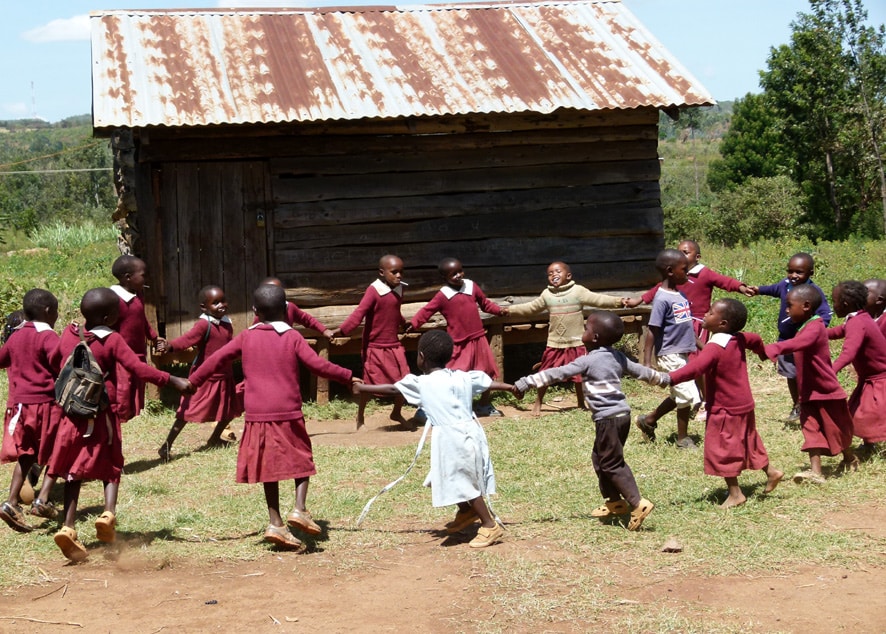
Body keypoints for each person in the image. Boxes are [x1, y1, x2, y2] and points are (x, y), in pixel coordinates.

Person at [187, 284, 360, 552]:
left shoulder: (246, 337)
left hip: (257, 415)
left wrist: (192, 382)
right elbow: (317, 365)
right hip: (287, 411)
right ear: (285, 310)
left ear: (255, 311)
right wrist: (347, 376)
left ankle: (276, 523)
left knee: (269, 467)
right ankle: (300, 509)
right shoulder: (291, 337)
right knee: (301, 457)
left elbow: (216, 359)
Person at [48, 288, 189, 561]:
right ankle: (108, 514)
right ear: (110, 316)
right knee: (112, 465)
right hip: (102, 414)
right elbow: (139, 369)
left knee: (72, 471)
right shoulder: (112, 340)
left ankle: (68, 527)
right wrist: (172, 380)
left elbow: (55, 361)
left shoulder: (70, 333)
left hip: (72, 415)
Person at [356, 330, 514, 547]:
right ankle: (466, 511)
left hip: (452, 438)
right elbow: (487, 384)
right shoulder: (462, 376)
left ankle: (489, 525)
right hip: (470, 432)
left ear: (421, 356)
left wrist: (362, 387)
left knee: (461, 480)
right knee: (446, 476)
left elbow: (394, 388)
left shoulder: (422, 384)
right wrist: (511, 387)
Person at [513, 311, 665, 529]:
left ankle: (637, 502)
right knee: (600, 459)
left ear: (594, 338)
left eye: (586, 328)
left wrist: (526, 382)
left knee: (612, 463)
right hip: (622, 417)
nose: (583, 331)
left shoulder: (588, 361)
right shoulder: (617, 356)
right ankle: (615, 502)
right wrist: (664, 379)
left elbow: (556, 373)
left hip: (608, 419)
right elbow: (641, 371)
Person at [667, 299, 783, 507]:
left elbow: (696, 368)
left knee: (722, 448)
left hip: (725, 407)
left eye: (711, 313)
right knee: (748, 440)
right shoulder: (737, 338)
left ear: (722, 324)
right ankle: (771, 472)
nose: (705, 314)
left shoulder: (715, 347)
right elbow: (755, 339)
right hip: (744, 402)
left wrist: (668, 378)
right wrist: (763, 354)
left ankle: (735, 493)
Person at [625, 240, 754, 420]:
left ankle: (702, 402)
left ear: (697, 257)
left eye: (685, 252)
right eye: (680, 252)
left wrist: (740, 287)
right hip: (679, 331)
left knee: (698, 366)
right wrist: (638, 300)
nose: (682, 256)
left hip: (698, 324)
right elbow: (655, 293)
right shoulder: (672, 284)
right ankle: (700, 403)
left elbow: (724, 281)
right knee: (692, 371)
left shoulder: (702, 274)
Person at [507, 261, 629, 416]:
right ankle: (538, 403)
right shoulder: (547, 294)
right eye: (550, 273)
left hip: (576, 341)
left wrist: (619, 301)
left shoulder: (577, 291)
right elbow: (530, 308)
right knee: (546, 372)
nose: (554, 275)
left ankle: (580, 402)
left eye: (557, 272)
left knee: (579, 375)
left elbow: (598, 299)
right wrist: (509, 310)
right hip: (555, 342)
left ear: (568, 275)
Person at [763, 285, 856, 484]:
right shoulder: (805, 327)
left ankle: (849, 458)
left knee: (836, 427)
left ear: (806, 306)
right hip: (808, 391)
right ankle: (816, 472)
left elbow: (800, 343)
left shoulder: (815, 327)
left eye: (789, 306)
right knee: (810, 427)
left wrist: (775, 348)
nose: (786, 310)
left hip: (826, 389)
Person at [407, 258, 509, 417]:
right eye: (453, 274)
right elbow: (427, 311)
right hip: (458, 343)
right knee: (449, 375)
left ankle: (484, 404)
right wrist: (414, 323)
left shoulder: (471, 286)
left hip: (478, 339)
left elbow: (485, 304)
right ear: (444, 277)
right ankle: (429, 407)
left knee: (486, 372)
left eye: (460, 271)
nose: (458, 275)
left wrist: (498, 310)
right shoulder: (443, 295)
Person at [158, 285, 244, 460]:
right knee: (187, 411)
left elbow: (230, 346)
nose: (221, 305)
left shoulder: (227, 323)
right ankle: (166, 446)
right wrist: (170, 346)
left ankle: (214, 439)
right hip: (205, 378)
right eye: (216, 303)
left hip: (225, 376)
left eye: (223, 301)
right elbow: (187, 339)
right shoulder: (204, 324)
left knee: (229, 410)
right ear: (204, 307)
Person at [0, 290, 62, 532]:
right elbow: (59, 364)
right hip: (46, 404)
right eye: (55, 312)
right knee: (59, 449)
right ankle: (42, 500)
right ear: (48, 312)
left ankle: (11, 502)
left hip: (20, 406)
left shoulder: (15, 336)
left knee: (27, 453)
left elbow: (2, 359)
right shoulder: (47, 336)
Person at [750, 253, 831, 422]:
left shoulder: (813, 292)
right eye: (790, 271)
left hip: (805, 344)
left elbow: (825, 314)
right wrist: (758, 290)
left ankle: (812, 405)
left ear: (810, 273)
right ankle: (797, 404)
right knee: (791, 374)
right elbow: (773, 289)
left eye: (799, 272)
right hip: (785, 340)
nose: (793, 275)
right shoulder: (785, 285)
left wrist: (815, 331)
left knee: (807, 374)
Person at [332, 255, 410, 429]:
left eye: (401, 272)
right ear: (382, 273)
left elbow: (395, 311)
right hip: (375, 346)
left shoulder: (400, 289)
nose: (399, 276)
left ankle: (396, 412)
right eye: (394, 272)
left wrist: (404, 323)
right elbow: (359, 313)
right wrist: (343, 330)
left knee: (405, 380)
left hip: (393, 344)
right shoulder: (374, 291)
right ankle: (360, 418)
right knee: (369, 383)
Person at [634, 249, 702, 448]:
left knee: (679, 394)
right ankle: (682, 439)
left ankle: (649, 420)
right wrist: (647, 362)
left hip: (682, 353)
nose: (687, 273)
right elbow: (652, 330)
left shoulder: (679, 295)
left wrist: (705, 348)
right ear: (670, 271)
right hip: (670, 354)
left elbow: (688, 326)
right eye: (684, 269)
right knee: (687, 395)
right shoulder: (662, 298)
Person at [827, 280, 886, 455]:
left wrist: (830, 371)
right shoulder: (859, 318)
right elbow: (838, 331)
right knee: (858, 412)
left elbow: (848, 353)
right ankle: (869, 442)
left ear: (845, 304)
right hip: (870, 377)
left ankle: (870, 442)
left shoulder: (858, 321)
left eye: (834, 301)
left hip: (880, 378)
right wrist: (814, 333)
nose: (833, 305)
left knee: (872, 414)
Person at [109, 255, 168, 422]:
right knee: (122, 392)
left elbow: (141, 320)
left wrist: (155, 338)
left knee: (134, 392)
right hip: (121, 358)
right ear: (128, 277)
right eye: (143, 275)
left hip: (137, 354)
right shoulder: (114, 300)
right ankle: (116, 421)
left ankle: (127, 418)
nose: (146, 278)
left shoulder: (137, 295)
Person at [254, 277, 335, 341]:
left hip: (286, 343)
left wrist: (324, 330)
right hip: (267, 345)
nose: (273, 295)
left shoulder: (290, 308)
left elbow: (307, 319)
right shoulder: (262, 313)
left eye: (277, 291)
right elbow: (253, 333)